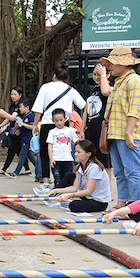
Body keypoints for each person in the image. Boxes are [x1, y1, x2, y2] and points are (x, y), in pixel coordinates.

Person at [101, 45, 140, 209]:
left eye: (113, 62)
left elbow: (135, 109)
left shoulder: (134, 81)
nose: (110, 66)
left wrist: (129, 133)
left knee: (133, 171)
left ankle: (137, 206)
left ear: (125, 63)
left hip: (126, 133)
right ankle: (123, 202)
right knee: (120, 171)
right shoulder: (121, 82)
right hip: (115, 133)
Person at [31, 61, 86, 194]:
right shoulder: (71, 90)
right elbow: (85, 106)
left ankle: (45, 183)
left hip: (47, 123)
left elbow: (39, 109)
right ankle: (63, 184)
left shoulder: (45, 87)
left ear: (54, 75)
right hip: (64, 124)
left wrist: (34, 125)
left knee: (45, 154)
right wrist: (83, 128)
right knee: (64, 152)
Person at [78, 63, 114, 200]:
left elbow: (105, 92)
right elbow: (86, 110)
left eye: (99, 74)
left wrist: (103, 76)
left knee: (105, 161)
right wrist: (82, 129)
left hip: (103, 129)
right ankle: (90, 188)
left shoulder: (110, 88)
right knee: (90, 158)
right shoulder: (92, 90)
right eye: (95, 74)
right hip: (90, 128)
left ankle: (109, 190)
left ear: (107, 74)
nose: (97, 77)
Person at [47, 140, 111, 213]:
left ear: (88, 154)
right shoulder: (81, 166)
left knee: (74, 205)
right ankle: (52, 195)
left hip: (99, 202)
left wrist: (70, 195)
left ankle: (65, 200)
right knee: (71, 176)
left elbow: (88, 191)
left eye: (79, 152)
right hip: (87, 197)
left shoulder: (94, 168)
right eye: (75, 151)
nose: (75, 154)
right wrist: (56, 190)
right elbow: (75, 187)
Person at [0, 86, 30, 175]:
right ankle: (27, 168)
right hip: (13, 130)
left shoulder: (22, 105)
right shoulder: (12, 106)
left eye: (15, 94)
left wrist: (18, 128)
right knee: (19, 151)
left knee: (12, 150)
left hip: (19, 132)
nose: (13, 96)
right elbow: (9, 118)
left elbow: (21, 119)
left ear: (20, 95)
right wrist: (0, 125)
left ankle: (4, 169)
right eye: (12, 94)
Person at [46, 108, 79, 186]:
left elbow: (76, 143)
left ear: (65, 119)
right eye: (56, 121)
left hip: (68, 159)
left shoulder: (70, 131)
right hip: (56, 159)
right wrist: (51, 158)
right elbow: (50, 145)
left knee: (67, 178)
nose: (59, 122)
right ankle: (57, 192)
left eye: (61, 120)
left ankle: (66, 194)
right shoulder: (52, 132)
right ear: (53, 121)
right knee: (57, 178)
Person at [9, 98, 37, 177]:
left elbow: (32, 127)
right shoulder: (23, 116)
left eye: (21, 107)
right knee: (31, 158)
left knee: (22, 156)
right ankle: (40, 171)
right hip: (23, 138)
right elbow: (17, 127)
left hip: (28, 139)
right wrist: (17, 120)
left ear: (27, 107)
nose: (20, 109)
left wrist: (23, 123)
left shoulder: (31, 116)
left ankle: (15, 173)